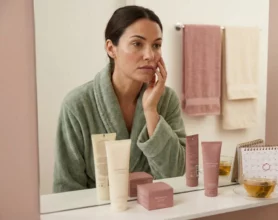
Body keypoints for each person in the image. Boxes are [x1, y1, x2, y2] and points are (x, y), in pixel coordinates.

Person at [53, 5, 186, 193]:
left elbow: (176, 174)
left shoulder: (166, 100)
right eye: (137, 44)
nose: (150, 55)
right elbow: (66, 188)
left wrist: (150, 111)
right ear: (111, 48)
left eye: (156, 45)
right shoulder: (77, 105)